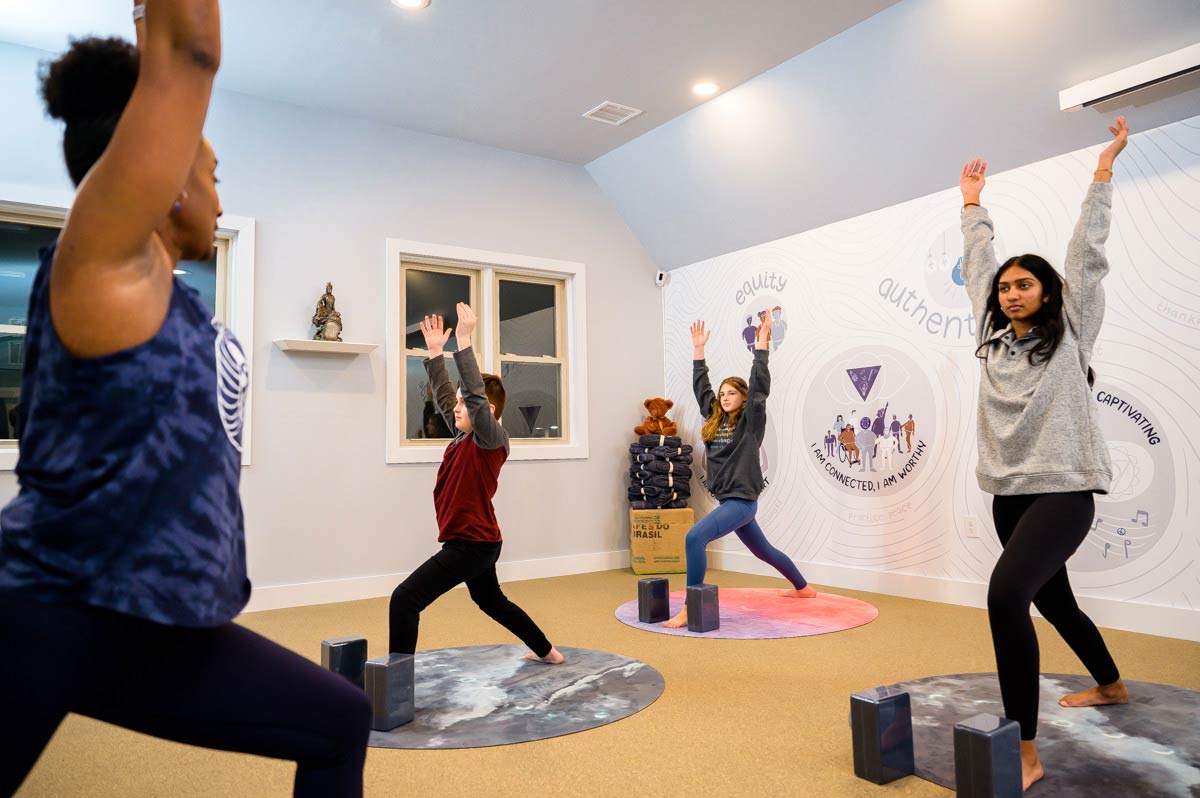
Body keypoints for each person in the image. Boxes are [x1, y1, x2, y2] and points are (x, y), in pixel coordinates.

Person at [0, 4, 371, 796]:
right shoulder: (104, 265)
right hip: (47, 613)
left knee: (340, 720)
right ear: (161, 183)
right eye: (211, 177)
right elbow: (189, 50)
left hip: (156, 628)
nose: (219, 198)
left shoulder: (176, 301)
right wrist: (157, 35)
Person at [959, 117, 1131, 792]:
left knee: (1007, 596)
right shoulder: (990, 332)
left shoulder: (1072, 333)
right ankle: (1112, 685)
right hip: (1009, 490)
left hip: (1064, 488)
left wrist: (1102, 172)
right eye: (1006, 287)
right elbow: (978, 262)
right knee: (1054, 603)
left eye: (1024, 284)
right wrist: (972, 205)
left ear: (1049, 292)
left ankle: (1025, 748)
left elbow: (1087, 252)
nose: (1010, 292)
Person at [389, 303, 564, 665]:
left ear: (488, 412)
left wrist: (464, 342)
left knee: (405, 598)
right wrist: (435, 351)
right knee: (491, 601)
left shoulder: (491, 439)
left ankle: (397, 685)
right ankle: (548, 652)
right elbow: (445, 396)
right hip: (478, 540)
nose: (456, 408)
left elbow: (471, 393)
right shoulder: (462, 438)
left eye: (464, 405)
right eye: (457, 404)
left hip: (471, 545)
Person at [664, 316, 815, 628]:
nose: (724, 397)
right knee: (765, 551)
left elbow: (759, 384)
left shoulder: (750, 421)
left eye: (731, 393)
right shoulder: (714, 418)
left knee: (694, 537)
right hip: (730, 502)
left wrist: (762, 347)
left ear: (744, 398)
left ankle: (690, 607)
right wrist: (698, 351)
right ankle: (804, 588)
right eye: (722, 394)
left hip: (742, 501)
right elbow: (701, 387)